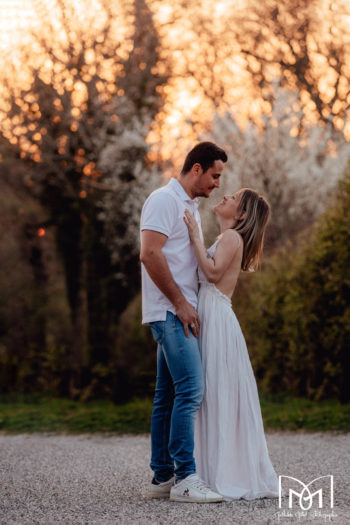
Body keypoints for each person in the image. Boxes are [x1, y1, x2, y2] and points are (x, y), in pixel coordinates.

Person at [140, 142, 228, 503]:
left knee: (168, 395)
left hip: (180, 311)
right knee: (191, 388)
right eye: (214, 175)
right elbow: (148, 253)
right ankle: (185, 479)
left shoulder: (188, 205)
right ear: (196, 169)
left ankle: (162, 477)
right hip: (171, 312)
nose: (217, 184)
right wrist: (180, 303)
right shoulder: (164, 200)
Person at [183, 188, 280, 501]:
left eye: (233, 198)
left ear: (241, 215)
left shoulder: (232, 238)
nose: (224, 196)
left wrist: (195, 236)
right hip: (213, 316)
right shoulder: (227, 238)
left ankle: (219, 472)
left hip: (217, 317)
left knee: (215, 391)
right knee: (213, 392)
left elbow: (211, 274)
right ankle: (210, 469)